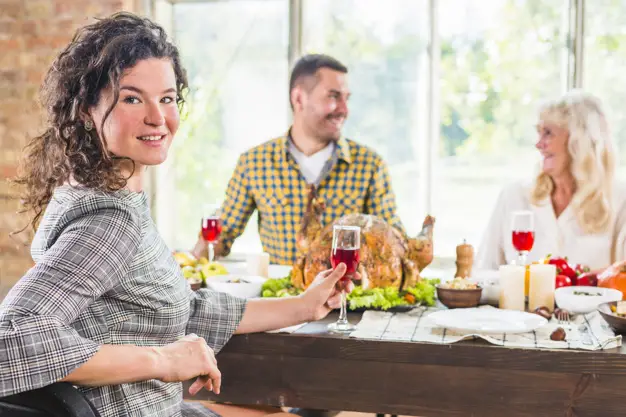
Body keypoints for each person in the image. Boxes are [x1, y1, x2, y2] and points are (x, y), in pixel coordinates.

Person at [0, 13, 357, 417]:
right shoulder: (110, 222)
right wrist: (164, 360)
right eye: (132, 98)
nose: (158, 117)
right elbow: (10, 339)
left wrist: (303, 306)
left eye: (167, 98)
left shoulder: (105, 193)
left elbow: (178, 308)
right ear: (86, 110)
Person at [192, 54, 404, 265]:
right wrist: (190, 261)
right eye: (333, 96)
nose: (344, 110)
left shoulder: (370, 166)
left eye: (346, 98)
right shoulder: (254, 164)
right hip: (281, 295)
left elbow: (395, 241)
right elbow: (222, 235)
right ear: (299, 99)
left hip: (344, 294)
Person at [477, 90, 626, 271]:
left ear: (579, 141)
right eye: (538, 133)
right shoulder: (514, 196)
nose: (538, 144)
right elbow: (484, 272)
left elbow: (621, 280)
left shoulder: (619, 200)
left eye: (548, 133)